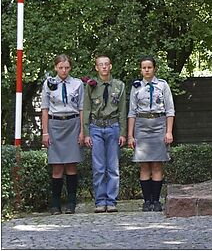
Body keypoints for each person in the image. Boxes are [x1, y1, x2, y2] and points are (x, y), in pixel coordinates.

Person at [127, 56, 175, 212]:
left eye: (149, 67)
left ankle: (156, 200)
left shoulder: (163, 85)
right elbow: (132, 112)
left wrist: (169, 131)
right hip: (142, 125)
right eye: (143, 67)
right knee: (144, 165)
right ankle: (147, 201)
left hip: (159, 124)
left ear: (154, 68)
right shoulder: (136, 86)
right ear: (140, 69)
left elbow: (170, 110)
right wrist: (130, 135)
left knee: (157, 164)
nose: (146, 70)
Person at [82, 55, 127, 213]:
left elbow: (122, 111)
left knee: (113, 167)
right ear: (96, 68)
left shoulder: (119, 85)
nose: (104, 67)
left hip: (113, 126)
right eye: (100, 65)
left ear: (111, 66)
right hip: (96, 127)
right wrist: (86, 133)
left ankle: (112, 200)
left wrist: (123, 132)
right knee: (99, 167)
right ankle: (100, 201)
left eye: (106, 64)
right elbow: (86, 109)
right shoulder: (90, 86)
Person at [41, 54, 84, 215]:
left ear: (70, 67)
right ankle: (55, 203)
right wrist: (45, 132)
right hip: (55, 124)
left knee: (72, 164)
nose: (64, 70)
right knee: (57, 165)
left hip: (72, 124)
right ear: (55, 68)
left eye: (66, 67)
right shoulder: (49, 83)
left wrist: (82, 131)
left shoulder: (77, 84)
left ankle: (71, 203)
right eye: (60, 67)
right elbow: (44, 108)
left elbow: (81, 109)